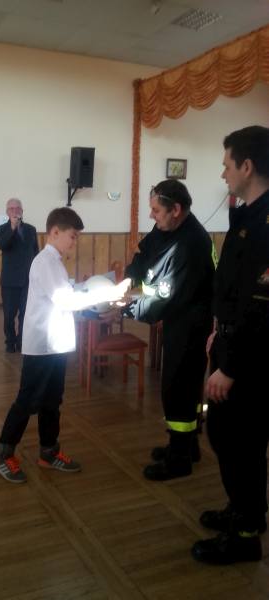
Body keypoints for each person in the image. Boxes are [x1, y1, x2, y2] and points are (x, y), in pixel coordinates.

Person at [0, 207, 128, 483]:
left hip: (56, 345)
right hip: (42, 346)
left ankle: (49, 451)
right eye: (72, 236)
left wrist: (96, 312)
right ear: (55, 232)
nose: (74, 243)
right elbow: (66, 301)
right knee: (27, 401)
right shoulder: (44, 262)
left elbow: (66, 298)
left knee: (52, 400)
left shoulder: (55, 262)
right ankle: (2, 453)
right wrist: (107, 293)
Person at [191, 126, 269, 565]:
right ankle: (245, 511)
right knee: (231, 438)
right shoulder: (249, 217)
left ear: (247, 166)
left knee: (239, 442)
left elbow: (261, 309)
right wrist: (218, 331)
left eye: (226, 165)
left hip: (249, 361)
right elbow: (235, 294)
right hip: (232, 345)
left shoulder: (265, 226)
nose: (223, 174)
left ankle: (244, 535)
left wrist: (231, 366)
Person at [121, 180, 215, 481]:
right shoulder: (167, 228)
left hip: (191, 326)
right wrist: (129, 279)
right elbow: (144, 253)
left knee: (179, 387)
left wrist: (125, 308)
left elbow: (164, 296)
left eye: (156, 210)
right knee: (182, 387)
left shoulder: (191, 243)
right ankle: (187, 446)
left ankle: (179, 460)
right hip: (177, 320)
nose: (152, 215)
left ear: (176, 209)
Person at [0, 198, 39, 353]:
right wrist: (13, 228)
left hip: (27, 280)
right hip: (9, 281)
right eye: (12, 208)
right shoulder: (1, 229)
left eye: (18, 208)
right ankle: (10, 342)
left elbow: (35, 252)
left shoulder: (31, 229)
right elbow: (2, 244)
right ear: (7, 212)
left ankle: (22, 342)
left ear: (22, 210)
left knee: (25, 315)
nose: (15, 211)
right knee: (9, 315)